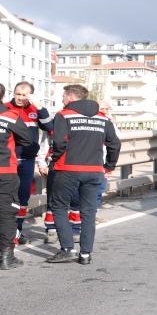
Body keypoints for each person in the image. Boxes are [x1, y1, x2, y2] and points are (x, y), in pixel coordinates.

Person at [45, 85, 120, 265]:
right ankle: (85, 254)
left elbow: (59, 142)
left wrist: (55, 159)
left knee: (59, 206)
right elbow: (115, 144)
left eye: (63, 95)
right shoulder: (103, 119)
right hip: (95, 171)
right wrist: (108, 167)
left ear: (71, 97)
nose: (62, 99)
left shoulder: (64, 115)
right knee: (88, 212)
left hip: (68, 169)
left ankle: (67, 249)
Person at [4, 82, 54, 244]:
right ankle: (7, 234)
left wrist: (40, 107)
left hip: (26, 161)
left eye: (24, 95)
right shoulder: (4, 108)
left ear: (31, 95)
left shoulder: (35, 110)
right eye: (17, 94)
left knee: (22, 198)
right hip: (7, 161)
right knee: (5, 199)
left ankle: (17, 232)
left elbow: (49, 126)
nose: (20, 98)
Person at [0, 83, 33, 270]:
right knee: (5, 214)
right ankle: (6, 257)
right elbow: (27, 139)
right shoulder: (9, 116)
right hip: (4, 171)